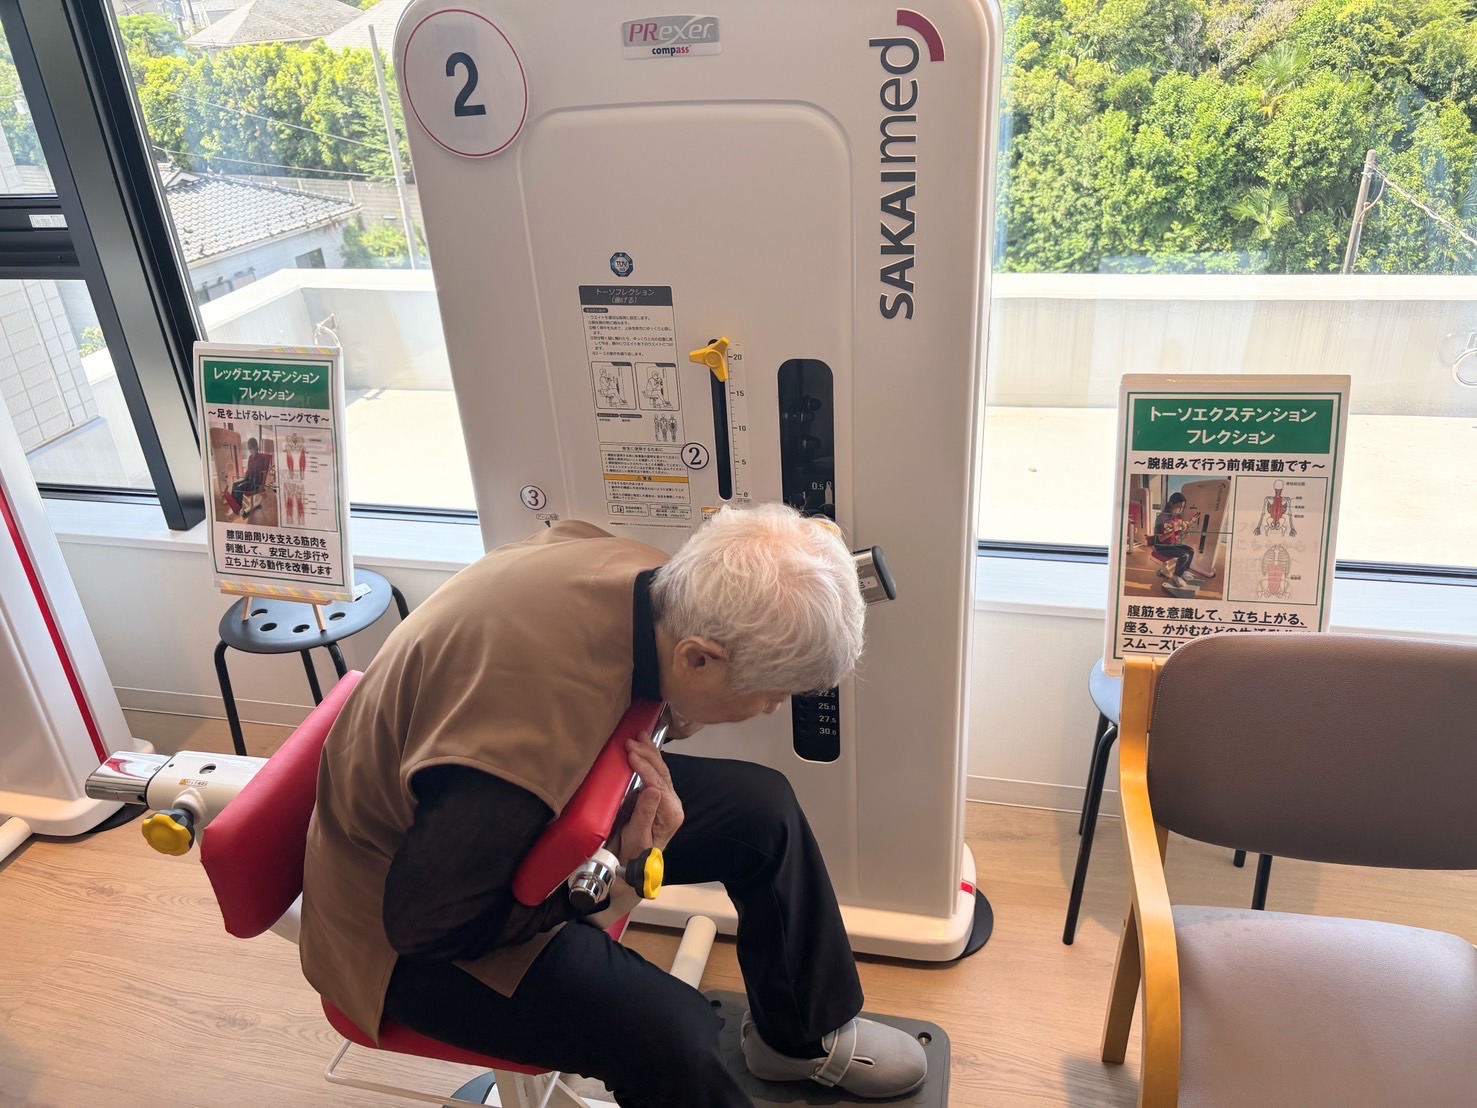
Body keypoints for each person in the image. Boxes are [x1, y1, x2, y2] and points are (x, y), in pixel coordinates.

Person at [299, 504, 928, 1106]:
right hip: (402, 930)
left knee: (763, 812)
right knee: (672, 1037)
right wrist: (616, 871)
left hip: (495, 811)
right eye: (771, 694)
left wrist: (623, 824)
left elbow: (630, 700)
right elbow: (430, 924)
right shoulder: (525, 739)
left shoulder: (651, 580)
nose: (770, 708)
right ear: (699, 658)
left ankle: (800, 1037)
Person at [1152, 492, 1200, 588]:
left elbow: (1180, 529)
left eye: (1182, 507)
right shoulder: (1161, 518)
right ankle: (1176, 576)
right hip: (1161, 547)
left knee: (1190, 551)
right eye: (1178, 506)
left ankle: (1184, 571)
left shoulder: (1176, 517)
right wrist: (1173, 531)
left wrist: (1190, 522)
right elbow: (1161, 538)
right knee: (1184, 555)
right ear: (1171, 504)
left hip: (1171, 544)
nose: (1180, 509)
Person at [223, 437, 272, 519]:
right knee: (235, 484)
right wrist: (245, 476)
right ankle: (236, 506)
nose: (250, 450)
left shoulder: (262, 459)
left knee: (239, 488)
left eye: (251, 448)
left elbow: (264, 473)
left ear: (255, 447)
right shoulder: (250, 458)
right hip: (249, 479)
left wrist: (262, 486)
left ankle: (238, 510)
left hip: (256, 483)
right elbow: (249, 469)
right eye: (249, 448)